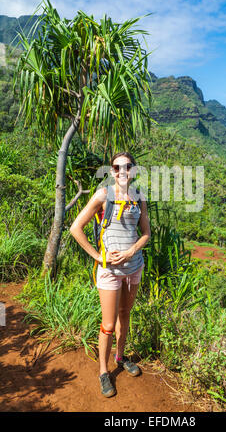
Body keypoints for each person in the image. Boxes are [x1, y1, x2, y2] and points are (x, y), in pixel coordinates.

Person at [70, 152, 151, 397]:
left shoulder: (139, 198)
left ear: (134, 170)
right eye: (117, 167)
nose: (122, 171)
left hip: (134, 266)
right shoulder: (103, 195)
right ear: (112, 171)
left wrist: (131, 251)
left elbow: (146, 233)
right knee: (107, 324)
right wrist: (97, 257)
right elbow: (76, 228)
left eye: (127, 166)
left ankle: (120, 357)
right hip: (110, 271)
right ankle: (104, 372)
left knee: (125, 314)